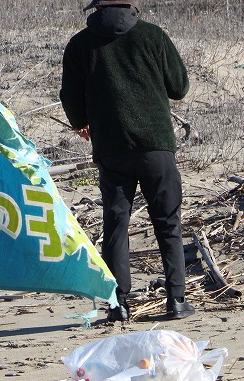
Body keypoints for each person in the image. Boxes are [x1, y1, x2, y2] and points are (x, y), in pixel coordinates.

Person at [60, 0, 194, 322]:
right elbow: (179, 87)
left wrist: (81, 122)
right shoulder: (153, 36)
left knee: (116, 226)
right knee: (167, 223)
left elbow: (70, 95)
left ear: (95, 8)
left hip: (111, 149)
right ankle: (176, 300)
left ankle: (119, 305)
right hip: (157, 149)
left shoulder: (80, 44)